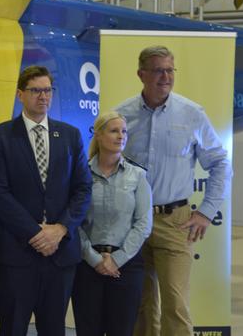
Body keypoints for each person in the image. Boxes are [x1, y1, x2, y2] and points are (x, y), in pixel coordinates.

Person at [115, 45, 232, 336]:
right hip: (130, 222)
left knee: (175, 305)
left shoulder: (191, 114)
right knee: (139, 306)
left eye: (170, 70)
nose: (165, 77)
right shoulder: (121, 116)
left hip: (174, 222)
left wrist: (206, 212)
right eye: (158, 70)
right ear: (141, 74)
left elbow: (219, 163)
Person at [0, 65, 92, 336]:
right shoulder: (1, 136)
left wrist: (61, 229)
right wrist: (35, 233)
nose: (43, 96)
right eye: (35, 91)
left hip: (60, 253)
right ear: (21, 94)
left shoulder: (70, 135)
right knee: (13, 327)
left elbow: (83, 188)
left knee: (54, 329)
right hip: (16, 252)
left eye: (47, 90)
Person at [71, 111, 152, 336]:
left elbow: (143, 223)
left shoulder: (138, 176)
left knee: (122, 330)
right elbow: (73, 221)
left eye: (124, 131)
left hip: (126, 266)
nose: (121, 136)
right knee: (88, 330)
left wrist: (116, 260)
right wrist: (96, 260)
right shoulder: (81, 175)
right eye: (114, 131)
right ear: (98, 134)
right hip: (87, 265)